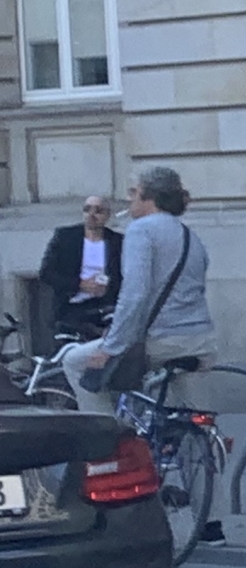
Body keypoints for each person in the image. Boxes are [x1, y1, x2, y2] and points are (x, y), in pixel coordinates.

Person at [63, 167, 216, 417]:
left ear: (149, 196)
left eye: (133, 192)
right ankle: (206, 447)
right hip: (201, 339)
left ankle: (106, 447)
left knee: (75, 363)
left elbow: (135, 294)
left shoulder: (141, 230)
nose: (129, 198)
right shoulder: (190, 235)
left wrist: (110, 348)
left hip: (163, 340)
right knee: (197, 417)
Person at [38, 194, 122, 340]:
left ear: (107, 215)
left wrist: (107, 287)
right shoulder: (65, 237)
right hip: (71, 309)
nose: (92, 215)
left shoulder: (118, 242)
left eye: (98, 211)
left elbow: (123, 276)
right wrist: (81, 285)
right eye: (87, 209)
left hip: (105, 308)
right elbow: (46, 273)